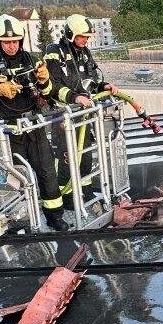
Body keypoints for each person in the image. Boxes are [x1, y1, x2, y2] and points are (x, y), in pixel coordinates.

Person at [0, 14, 68, 231]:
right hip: (8, 132)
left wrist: (44, 81)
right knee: (15, 177)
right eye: (6, 42)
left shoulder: (32, 60)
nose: (12, 46)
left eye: (15, 41)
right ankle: (21, 220)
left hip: (34, 127)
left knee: (47, 171)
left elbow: (47, 93)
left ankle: (54, 217)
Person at [44, 14, 115, 203]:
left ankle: (86, 192)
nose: (85, 40)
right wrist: (74, 97)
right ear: (70, 34)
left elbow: (91, 80)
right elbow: (52, 86)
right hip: (63, 116)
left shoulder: (84, 53)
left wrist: (104, 86)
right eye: (82, 36)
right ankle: (66, 198)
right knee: (66, 158)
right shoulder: (54, 53)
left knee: (85, 156)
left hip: (83, 115)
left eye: (87, 37)